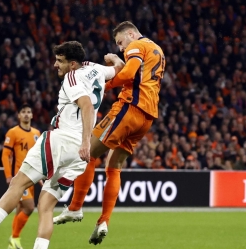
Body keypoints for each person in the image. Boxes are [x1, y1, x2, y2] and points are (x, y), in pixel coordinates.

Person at [0, 41, 122, 249]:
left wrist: (87, 141)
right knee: (46, 206)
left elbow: (86, 105)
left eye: (60, 61)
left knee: (18, 183)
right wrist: (114, 58)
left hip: (62, 141)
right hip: (77, 157)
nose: (55, 65)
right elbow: (119, 68)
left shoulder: (72, 76)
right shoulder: (96, 69)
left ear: (73, 64)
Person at [53, 21, 165, 245]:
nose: (121, 48)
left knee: (88, 154)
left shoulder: (136, 46)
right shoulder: (158, 50)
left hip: (129, 108)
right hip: (148, 117)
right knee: (114, 165)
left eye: (120, 42)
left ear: (131, 34)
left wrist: (104, 85)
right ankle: (103, 221)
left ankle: (75, 207)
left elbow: (129, 73)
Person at [2, 104, 42, 249]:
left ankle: (12, 243)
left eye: (28, 112)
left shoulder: (37, 133)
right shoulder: (13, 133)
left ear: (32, 115)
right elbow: (5, 155)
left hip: (33, 178)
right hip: (19, 177)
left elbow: (39, 157)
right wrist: (8, 175)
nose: (26, 114)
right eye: (23, 112)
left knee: (20, 209)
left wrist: (41, 177)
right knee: (30, 207)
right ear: (18, 116)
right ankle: (15, 238)